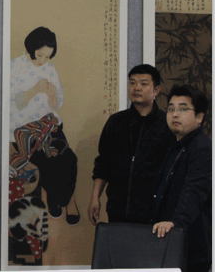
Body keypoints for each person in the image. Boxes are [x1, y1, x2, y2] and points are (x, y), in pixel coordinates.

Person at [9, 27, 78, 224]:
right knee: (47, 165)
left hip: (50, 125)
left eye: (48, 56)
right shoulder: (14, 67)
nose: (43, 61)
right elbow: (13, 103)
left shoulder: (50, 68)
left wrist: (53, 95)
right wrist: (35, 89)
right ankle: (56, 198)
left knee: (69, 159)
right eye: (40, 55)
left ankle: (64, 198)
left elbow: (57, 104)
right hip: (25, 130)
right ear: (30, 48)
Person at [88, 64, 173, 225]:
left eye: (143, 83)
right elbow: (103, 164)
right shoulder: (116, 122)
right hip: (117, 209)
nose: (136, 88)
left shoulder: (166, 125)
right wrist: (95, 198)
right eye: (132, 83)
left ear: (156, 90)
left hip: (154, 213)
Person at [152, 85, 211, 272]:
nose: (175, 114)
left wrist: (176, 222)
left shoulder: (202, 148)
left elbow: (195, 191)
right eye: (171, 109)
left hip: (191, 244)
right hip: (170, 240)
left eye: (183, 109)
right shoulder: (174, 144)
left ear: (199, 117)